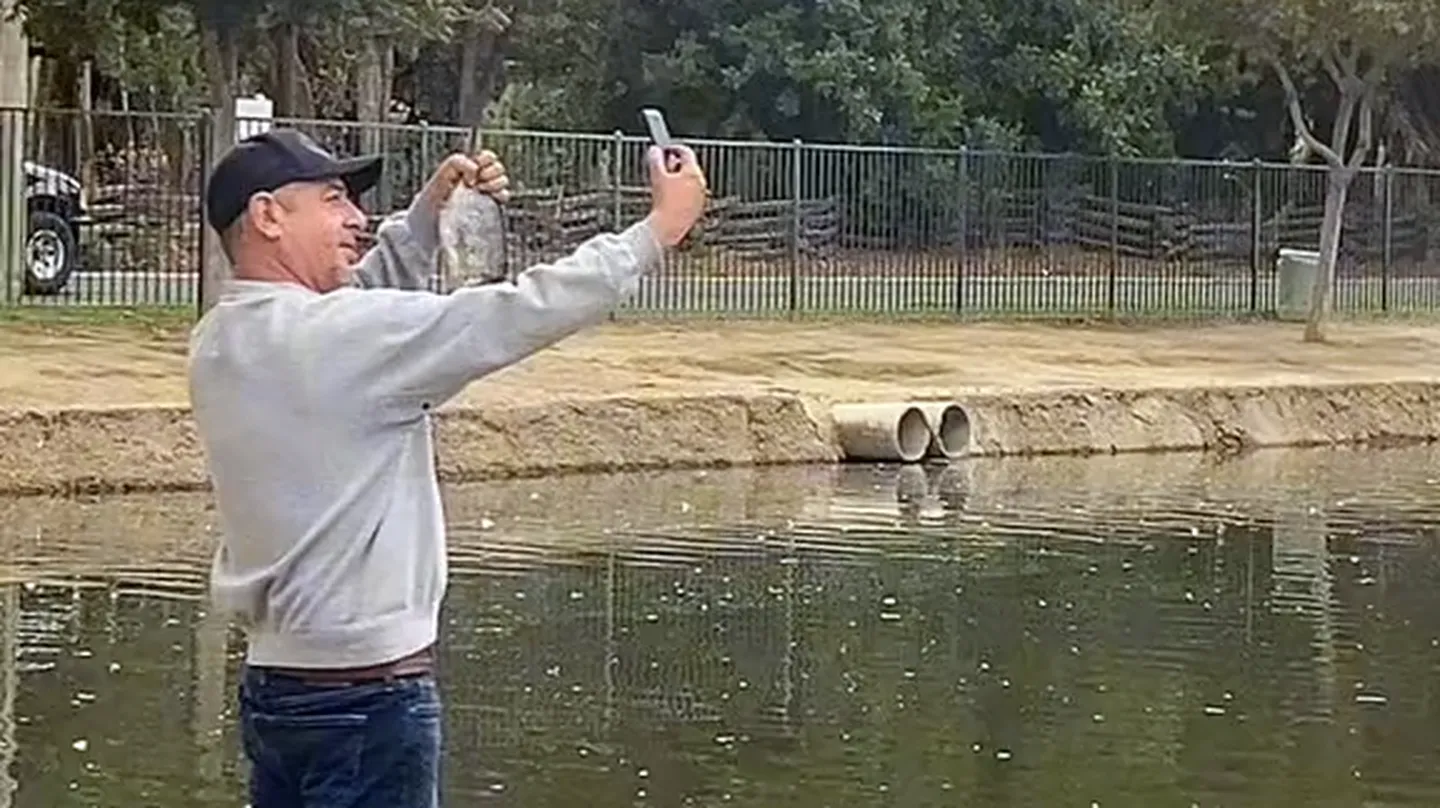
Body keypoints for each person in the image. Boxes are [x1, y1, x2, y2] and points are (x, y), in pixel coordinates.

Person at [187, 127, 708, 807]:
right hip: (368, 700)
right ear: (267, 215)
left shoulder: (221, 339)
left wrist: (430, 215)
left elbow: (352, 310)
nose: (357, 217)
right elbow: (513, 312)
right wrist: (658, 230)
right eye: (334, 199)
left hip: (277, 691)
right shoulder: (342, 339)